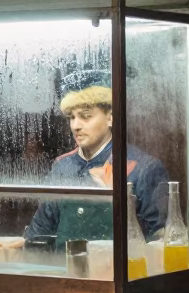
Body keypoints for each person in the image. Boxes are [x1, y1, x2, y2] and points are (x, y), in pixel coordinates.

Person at [24, 77, 168, 248]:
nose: (75, 126)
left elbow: (161, 241)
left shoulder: (144, 169)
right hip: (63, 271)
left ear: (110, 118)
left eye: (86, 116)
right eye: (72, 117)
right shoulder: (62, 167)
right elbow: (40, 232)